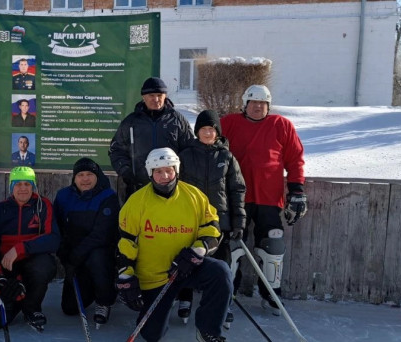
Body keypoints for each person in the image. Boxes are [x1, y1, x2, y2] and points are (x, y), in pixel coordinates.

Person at [116, 147, 231, 342]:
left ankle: (209, 330)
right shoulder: (136, 202)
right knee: (152, 334)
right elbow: (126, 243)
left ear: (176, 170)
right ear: (150, 173)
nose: (165, 176)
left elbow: (212, 229)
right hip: (155, 277)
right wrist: (125, 275)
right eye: (158, 171)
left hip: (188, 268)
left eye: (169, 170)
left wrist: (198, 251)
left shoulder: (194, 196)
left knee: (220, 272)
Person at [220, 85, 307, 316]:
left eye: (263, 103)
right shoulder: (227, 123)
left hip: (269, 199)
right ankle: (227, 292)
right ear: (245, 104)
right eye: (253, 102)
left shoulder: (282, 125)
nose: (258, 107)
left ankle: (271, 293)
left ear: (268, 105)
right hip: (235, 198)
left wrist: (297, 190)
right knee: (232, 246)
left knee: (273, 246)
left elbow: (295, 159)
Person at [176, 109, 246, 328]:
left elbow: (237, 189)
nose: (208, 133)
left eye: (212, 129)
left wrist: (238, 221)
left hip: (220, 222)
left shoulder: (226, 157)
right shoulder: (186, 155)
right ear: (197, 131)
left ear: (217, 133)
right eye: (204, 129)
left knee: (221, 265)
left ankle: (221, 305)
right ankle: (184, 298)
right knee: (187, 260)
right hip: (191, 219)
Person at [0, 166, 60, 332]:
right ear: (11, 187)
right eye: (18, 184)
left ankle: (32, 308)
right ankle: (17, 298)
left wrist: (20, 248)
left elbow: (53, 239)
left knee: (43, 265)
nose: (23, 188)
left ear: (33, 186)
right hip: (7, 267)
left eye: (27, 183)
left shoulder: (43, 205)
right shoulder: (0, 209)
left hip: (31, 262)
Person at [54, 158, 120, 326]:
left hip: (99, 253)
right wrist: (65, 256)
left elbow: (101, 235)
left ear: (97, 176)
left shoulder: (107, 196)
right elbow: (57, 228)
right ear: (74, 178)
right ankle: (90, 286)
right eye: (81, 175)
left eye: (89, 174)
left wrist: (75, 256)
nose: (85, 179)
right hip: (75, 256)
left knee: (97, 258)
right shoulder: (63, 196)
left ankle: (104, 300)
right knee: (69, 308)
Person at [109, 77, 195, 199]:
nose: (156, 99)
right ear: (143, 97)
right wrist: (127, 172)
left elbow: (190, 149)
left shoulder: (177, 120)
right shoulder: (131, 122)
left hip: (171, 186)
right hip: (139, 187)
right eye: (151, 95)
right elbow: (116, 150)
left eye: (159, 95)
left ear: (165, 96)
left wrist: (180, 173)